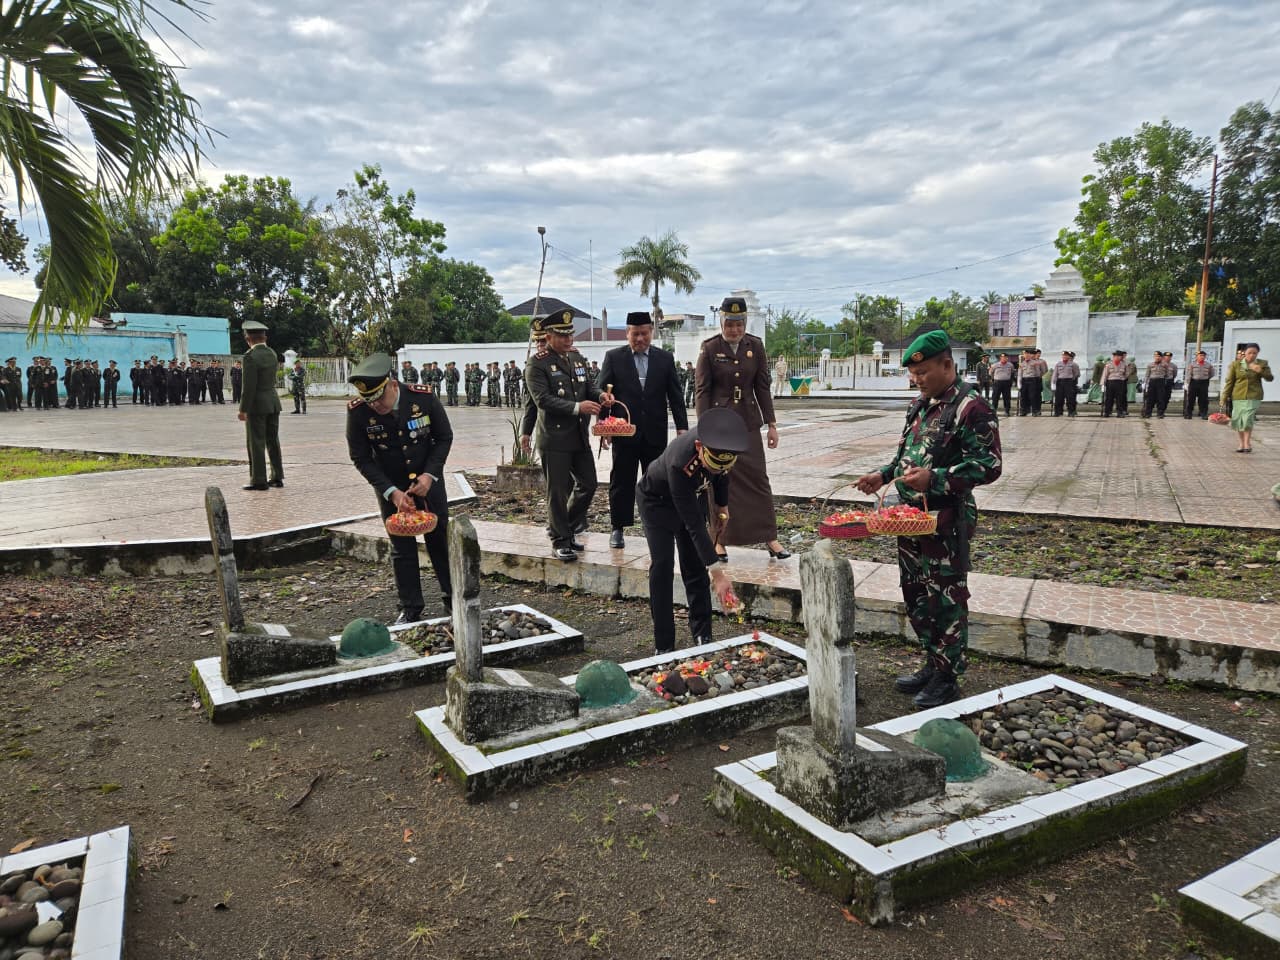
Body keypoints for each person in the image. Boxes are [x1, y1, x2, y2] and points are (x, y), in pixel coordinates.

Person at [854, 329, 1002, 709]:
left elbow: (989, 465)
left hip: (946, 520)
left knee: (946, 598)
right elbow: (908, 459)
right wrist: (883, 476)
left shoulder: (972, 408)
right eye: (913, 375)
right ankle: (932, 663)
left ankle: (948, 677)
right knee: (917, 593)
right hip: (909, 520)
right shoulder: (919, 406)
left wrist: (936, 478)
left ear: (947, 365)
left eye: (923, 374)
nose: (916, 381)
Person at [346, 353, 454, 623]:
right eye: (370, 401)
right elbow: (360, 457)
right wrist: (390, 492)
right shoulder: (358, 410)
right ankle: (410, 607)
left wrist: (430, 474)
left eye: (380, 400)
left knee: (439, 541)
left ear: (392, 385)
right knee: (401, 549)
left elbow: (444, 437)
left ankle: (454, 598)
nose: (376, 407)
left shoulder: (423, 397)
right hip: (390, 487)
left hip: (428, 484)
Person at [638, 408, 748, 654]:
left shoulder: (720, 442)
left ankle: (703, 635)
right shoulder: (681, 462)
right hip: (657, 502)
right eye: (714, 464)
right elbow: (694, 525)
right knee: (663, 564)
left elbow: (721, 473)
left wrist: (722, 506)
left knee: (695, 566)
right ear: (699, 446)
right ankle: (664, 644)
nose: (720, 469)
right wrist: (718, 575)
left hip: (691, 496)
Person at [695, 295, 789, 560]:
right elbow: (702, 391)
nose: (734, 329)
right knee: (719, 481)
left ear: (745, 322)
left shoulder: (755, 346)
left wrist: (771, 424)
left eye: (739, 324)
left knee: (758, 479)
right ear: (721, 321)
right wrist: (704, 431)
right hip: (720, 427)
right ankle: (719, 540)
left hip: (747, 423)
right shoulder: (710, 348)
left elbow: (762, 387)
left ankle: (770, 537)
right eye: (729, 324)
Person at [525, 310, 613, 561]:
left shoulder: (576, 358)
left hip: (578, 435)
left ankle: (567, 528)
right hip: (554, 438)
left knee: (589, 484)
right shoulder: (538, 363)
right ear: (549, 336)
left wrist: (600, 397)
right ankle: (560, 539)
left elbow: (589, 387)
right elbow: (542, 400)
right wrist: (578, 407)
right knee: (558, 491)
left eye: (570, 335)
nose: (568, 340)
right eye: (562, 336)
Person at [597, 310, 689, 549]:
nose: (640, 339)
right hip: (624, 432)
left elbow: (675, 396)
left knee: (657, 482)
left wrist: (682, 429)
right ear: (627, 333)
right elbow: (603, 395)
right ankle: (618, 527)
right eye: (635, 334)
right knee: (621, 480)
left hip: (655, 432)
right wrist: (603, 426)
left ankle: (656, 527)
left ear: (651, 332)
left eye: (644, 333)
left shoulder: (664, 359)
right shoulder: (614, 358)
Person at [237, 320, 284, 490]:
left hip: (257, 405)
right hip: (273, 402)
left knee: (256, 441)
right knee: (273, 440)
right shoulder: (272, 353)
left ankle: (259, 480)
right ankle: (277, 477)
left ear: (248, 338)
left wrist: (243, 409)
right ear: (264, 337)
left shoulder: (250, 357)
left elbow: (249, 387)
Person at [1220, 343, 1273, 454]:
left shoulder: (1262, 363)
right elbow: (1230, 382)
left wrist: (1260, 371)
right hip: (1238, 396)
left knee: (1247, 418)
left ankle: (1247, 443)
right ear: (1245, 353)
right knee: (1238, 420)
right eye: (1250, 353)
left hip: (1254, 396)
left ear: (1257, 353)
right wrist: (1224, 397)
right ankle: (1241, 443)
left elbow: (1270, 378)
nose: (1252, 355)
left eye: (1254, 353)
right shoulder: (1236, 365)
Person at [1183, 350, 1213, 419]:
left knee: (1203, 399)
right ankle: (1189, 413)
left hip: (1204, 383)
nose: (1202, 357)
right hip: (1194, 382)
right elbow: (1189, 374)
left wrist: (1206, 378)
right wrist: (1187, 383)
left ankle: (1203, 413)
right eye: (1200, 356)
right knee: (1191, 399)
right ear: (1197, 357)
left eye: (1203, 356)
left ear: (1205, 357)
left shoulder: (1208, 365)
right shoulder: (1192, 365)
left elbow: (1212, 373)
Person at [1051, 350, 1079, 417]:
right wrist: (1053, 382)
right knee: (1059, 398)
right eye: (1063, 355)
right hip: (1060, 382)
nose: (1064, 357)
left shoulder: (1073, 364)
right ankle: (1058, 412)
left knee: (1070, 398)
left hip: (1069, 382)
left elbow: (1076, 373)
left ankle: (1071, 411)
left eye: (1066, 355)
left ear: (1069, 357)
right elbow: (1055, 374)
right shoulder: (1058, 364)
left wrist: (1072, 379)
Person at [1100, 349, 1128, 417]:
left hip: (1120, 382)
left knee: (1120, 398)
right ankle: (1107, 411)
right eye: (1116, 356)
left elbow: (1127, 373)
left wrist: (1123, 378)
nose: (1118, 357)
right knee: (1109, 398)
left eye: (1120, 356)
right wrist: (1102, 384)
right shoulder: (1108, 364)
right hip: (1110, 382)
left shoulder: (1124, 364)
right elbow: (1105, 374)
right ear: (1114, 356)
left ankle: (1119, 412)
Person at [1142, 350, 1167, 419]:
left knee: (1160, 398)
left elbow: (1167, 374)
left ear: (1161, 357)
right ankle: (1148, 413)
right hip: (1152, 382)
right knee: (1150, 398)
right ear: (1154, 357)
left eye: (1159, 356)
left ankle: (1160, 413)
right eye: (1156, 356)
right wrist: (1145, 383)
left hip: (1161, 382)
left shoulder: (1165, 365)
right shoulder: (1150, 365)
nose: (1157, 358)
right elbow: (1147, 374)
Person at [1017, 347, 1042, 416]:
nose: (1026, 355)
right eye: (1025, 354)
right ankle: (1023, 411)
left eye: (1027, 354)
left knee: (1032, 396)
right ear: (1023, 355)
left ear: (1030, 355)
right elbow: (1019, 374)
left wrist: (1036, 380)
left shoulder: (1035, 363)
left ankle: (1034, 411)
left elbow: (1038, 373)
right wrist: (1019, 383)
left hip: (1032, 380)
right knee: (1023, 396)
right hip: (1024, 380)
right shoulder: (1021, 364)